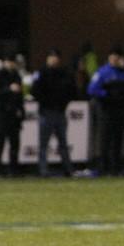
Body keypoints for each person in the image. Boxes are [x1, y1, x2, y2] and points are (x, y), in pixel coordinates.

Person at [87, 46, 124, 175]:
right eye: (113, 56)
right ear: (109, 57)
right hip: (105, 110)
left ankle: (115, 168)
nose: (115, 59)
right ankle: (103, 167)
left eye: (117, 56)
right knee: (105, 139)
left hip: (119, 111)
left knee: (117, 140)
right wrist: (106, 94)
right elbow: (91, 90)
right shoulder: (102, 72)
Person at [31, 48, 78, 177]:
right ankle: (43, 170)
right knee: (43, 144)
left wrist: (63, 104)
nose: (54, 59)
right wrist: (46, 102)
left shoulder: (64, 73)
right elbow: (34, 91)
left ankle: (68, 169)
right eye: (51, 57)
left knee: (63, 143)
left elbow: (72, 90)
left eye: (56, 57)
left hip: (60, 112)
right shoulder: (41, 73)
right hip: (46, 112)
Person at [0, 52, 26, 177]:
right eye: (9, 61)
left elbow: (20, 96)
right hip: (2, 114)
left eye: (13, 62)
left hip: (13, 115)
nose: (11, 64)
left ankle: (13, 170)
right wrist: (9, 89)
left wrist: (21, 111)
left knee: (14, 144)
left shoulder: (16, 75)